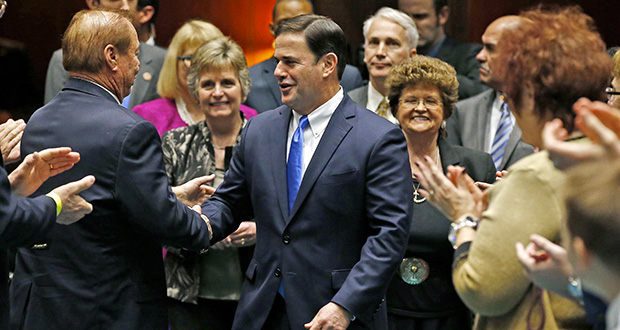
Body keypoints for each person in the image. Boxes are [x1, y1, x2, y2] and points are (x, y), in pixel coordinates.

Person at [201, 14, 412, 330]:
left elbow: (389, 235)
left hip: (335, 313)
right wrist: (198, 220)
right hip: (263, 311)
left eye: (289, 62)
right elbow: (229, 203)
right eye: (276, 61)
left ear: (328, 64)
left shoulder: (377, 138)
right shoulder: (259, 129)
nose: (277, 72)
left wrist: (346, 304)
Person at [11, 9, 214, 329]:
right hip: (109, 308)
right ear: (112, 57)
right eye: (135, 53)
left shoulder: (39, 121)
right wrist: (201, 225)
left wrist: (170, 194)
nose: (138, 65)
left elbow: (102, 200)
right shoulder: (132, 130)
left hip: (46, 306)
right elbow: (158, 218)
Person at [415, 6, 611, 330]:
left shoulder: (538, 173)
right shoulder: (604, 157)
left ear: (531, 95)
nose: (508, 104)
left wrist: (463, 217)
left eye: (510, 94)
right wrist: (503, 197)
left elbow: (482, 289)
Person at [384, 55, 495, 329]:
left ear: (446, 110)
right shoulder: (373, 164)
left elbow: (486, 244)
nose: (420, 108)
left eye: (431, 101)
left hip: (450, 314)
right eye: (410, 100)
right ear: (395, 109)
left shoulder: (475, 166)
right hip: (385, 311)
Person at [161, 36, 257, 330]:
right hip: (187, 299)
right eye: (208, 84)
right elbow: (156, 216)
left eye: (227, 82)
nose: (218, 93)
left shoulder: (267, 140)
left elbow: (295, 210)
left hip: (256, 295)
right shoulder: (175, 143)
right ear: (196, 91)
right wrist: (195, 228)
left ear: (243, 86)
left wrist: (261, 230)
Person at [132, 19, 250, 136]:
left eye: (211, 59)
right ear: (174, 63)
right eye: (191, 58)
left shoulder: (249, 118)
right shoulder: (147, 115)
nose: (200, 67)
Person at [446, 16, 534, 171]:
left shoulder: (548, 111)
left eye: (490, 48)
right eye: (482, 47)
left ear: (522, 54)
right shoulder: (462, 112)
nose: (480, 56)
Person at [43, 0, 166, 109]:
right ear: (93, 4)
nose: (125, 6)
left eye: (130, 0)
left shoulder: (162, 58)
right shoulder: (63, 58)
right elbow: (55, 115)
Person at [244, 0, 363, 113]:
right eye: (284, 23)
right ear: (272, 29)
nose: (293, 29)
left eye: (303, 22)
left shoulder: (348, 77)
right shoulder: (250, 79)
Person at [398, 0, 487, 99]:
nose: (411, 25)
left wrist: (424, 71)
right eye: (405, 18)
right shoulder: (395, 57)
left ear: (442, 15)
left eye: (419, 16)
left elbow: (482, 92)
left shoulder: (470, 54)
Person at [348, 7, 418, 125]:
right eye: (374, 42)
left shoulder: (427, 109)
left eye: (392, 43)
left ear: (411, 56)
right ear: (365, 52)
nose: (380, 52)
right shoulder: (344, 105)